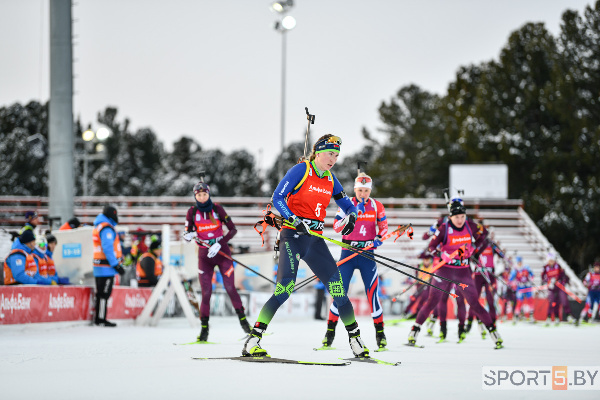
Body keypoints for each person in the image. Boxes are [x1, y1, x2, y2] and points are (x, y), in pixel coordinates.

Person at [243, 134, 369, 358]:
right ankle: (253, 340)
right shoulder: (301, 170)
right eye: (330, 153)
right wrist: (293, 218)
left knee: (339, 290)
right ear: (318, 152)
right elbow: (278, 198)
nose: (334, 159)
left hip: (315, 240)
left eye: (337, 155)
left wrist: (352, 215)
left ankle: (356, 340)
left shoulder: (331, 179)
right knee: (284, 290)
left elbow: (348, 204)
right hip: (293, 237)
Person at [407, 199, 503, 349]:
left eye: (462, 216)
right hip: (445, 269)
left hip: (463, 270)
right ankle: (414, 331)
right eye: (456, 217)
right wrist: (441, 254)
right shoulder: (444, 228)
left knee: (474, 303)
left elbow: (484, 234)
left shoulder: (471, 225)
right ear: (450, 217)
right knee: (433, 301)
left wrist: (474, 250)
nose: (460, 220)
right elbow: (431, 246)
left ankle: (493, 332)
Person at [321, 171, 389, 350]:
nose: (363, 194)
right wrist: (348, 216)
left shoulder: (377, 206)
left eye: (366, 191)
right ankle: (330, 332)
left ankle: (380, 334)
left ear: (370, 191)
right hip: (348, 253)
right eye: (360, 190)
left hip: (367, 255)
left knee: (373, 294)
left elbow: (383, 229)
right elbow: (336, 227)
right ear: (355, 189)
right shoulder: (346, 203)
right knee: (339, 293)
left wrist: (379, 239)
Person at [182, 180, 251, 342]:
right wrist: (188, 235)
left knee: (230, 288)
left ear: (209, 194)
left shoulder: (217, 209)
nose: (202, 197)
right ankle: (204, 330)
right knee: (206, 293)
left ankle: (245, 325)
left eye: (204, 194)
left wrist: (220, 243)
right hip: (204, 256)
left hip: (221, 253)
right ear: (195, 196)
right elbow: (187, 233)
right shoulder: (192, 212)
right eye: (199, 195)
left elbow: (233, 229)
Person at [92, 205, 125, 327]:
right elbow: (107, 248)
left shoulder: (100, 226)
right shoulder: (106, 228)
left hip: (101, 265)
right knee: (104, 294)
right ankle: (101, 319)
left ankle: (100, 318)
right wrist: (116, 265)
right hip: (106, 267)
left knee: (102, 293)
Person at [541, 252, 566, 325]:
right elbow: (543, 276)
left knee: (557, 303)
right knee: (551, 302)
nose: (551, 262)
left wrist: (559, 281)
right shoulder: (546, 267)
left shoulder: (558, 266)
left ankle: (557, 317)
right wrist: (546, 281)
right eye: (549, 260)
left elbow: (562, 275)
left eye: (552, 260)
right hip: (551, 288)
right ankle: (548, 317)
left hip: (557, 287)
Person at [509, 256, 535, 321]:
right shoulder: (515, 269)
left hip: (527, 287)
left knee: (530, 300)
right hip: (520, 287)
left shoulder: (526, 267)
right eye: (518, 262)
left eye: (520, 262)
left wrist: (531, 280)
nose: (519, 263)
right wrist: (513, 284)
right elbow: (510, 279)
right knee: (519, 301)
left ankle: (531, 316)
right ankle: (516, 316)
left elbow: (532, 274)